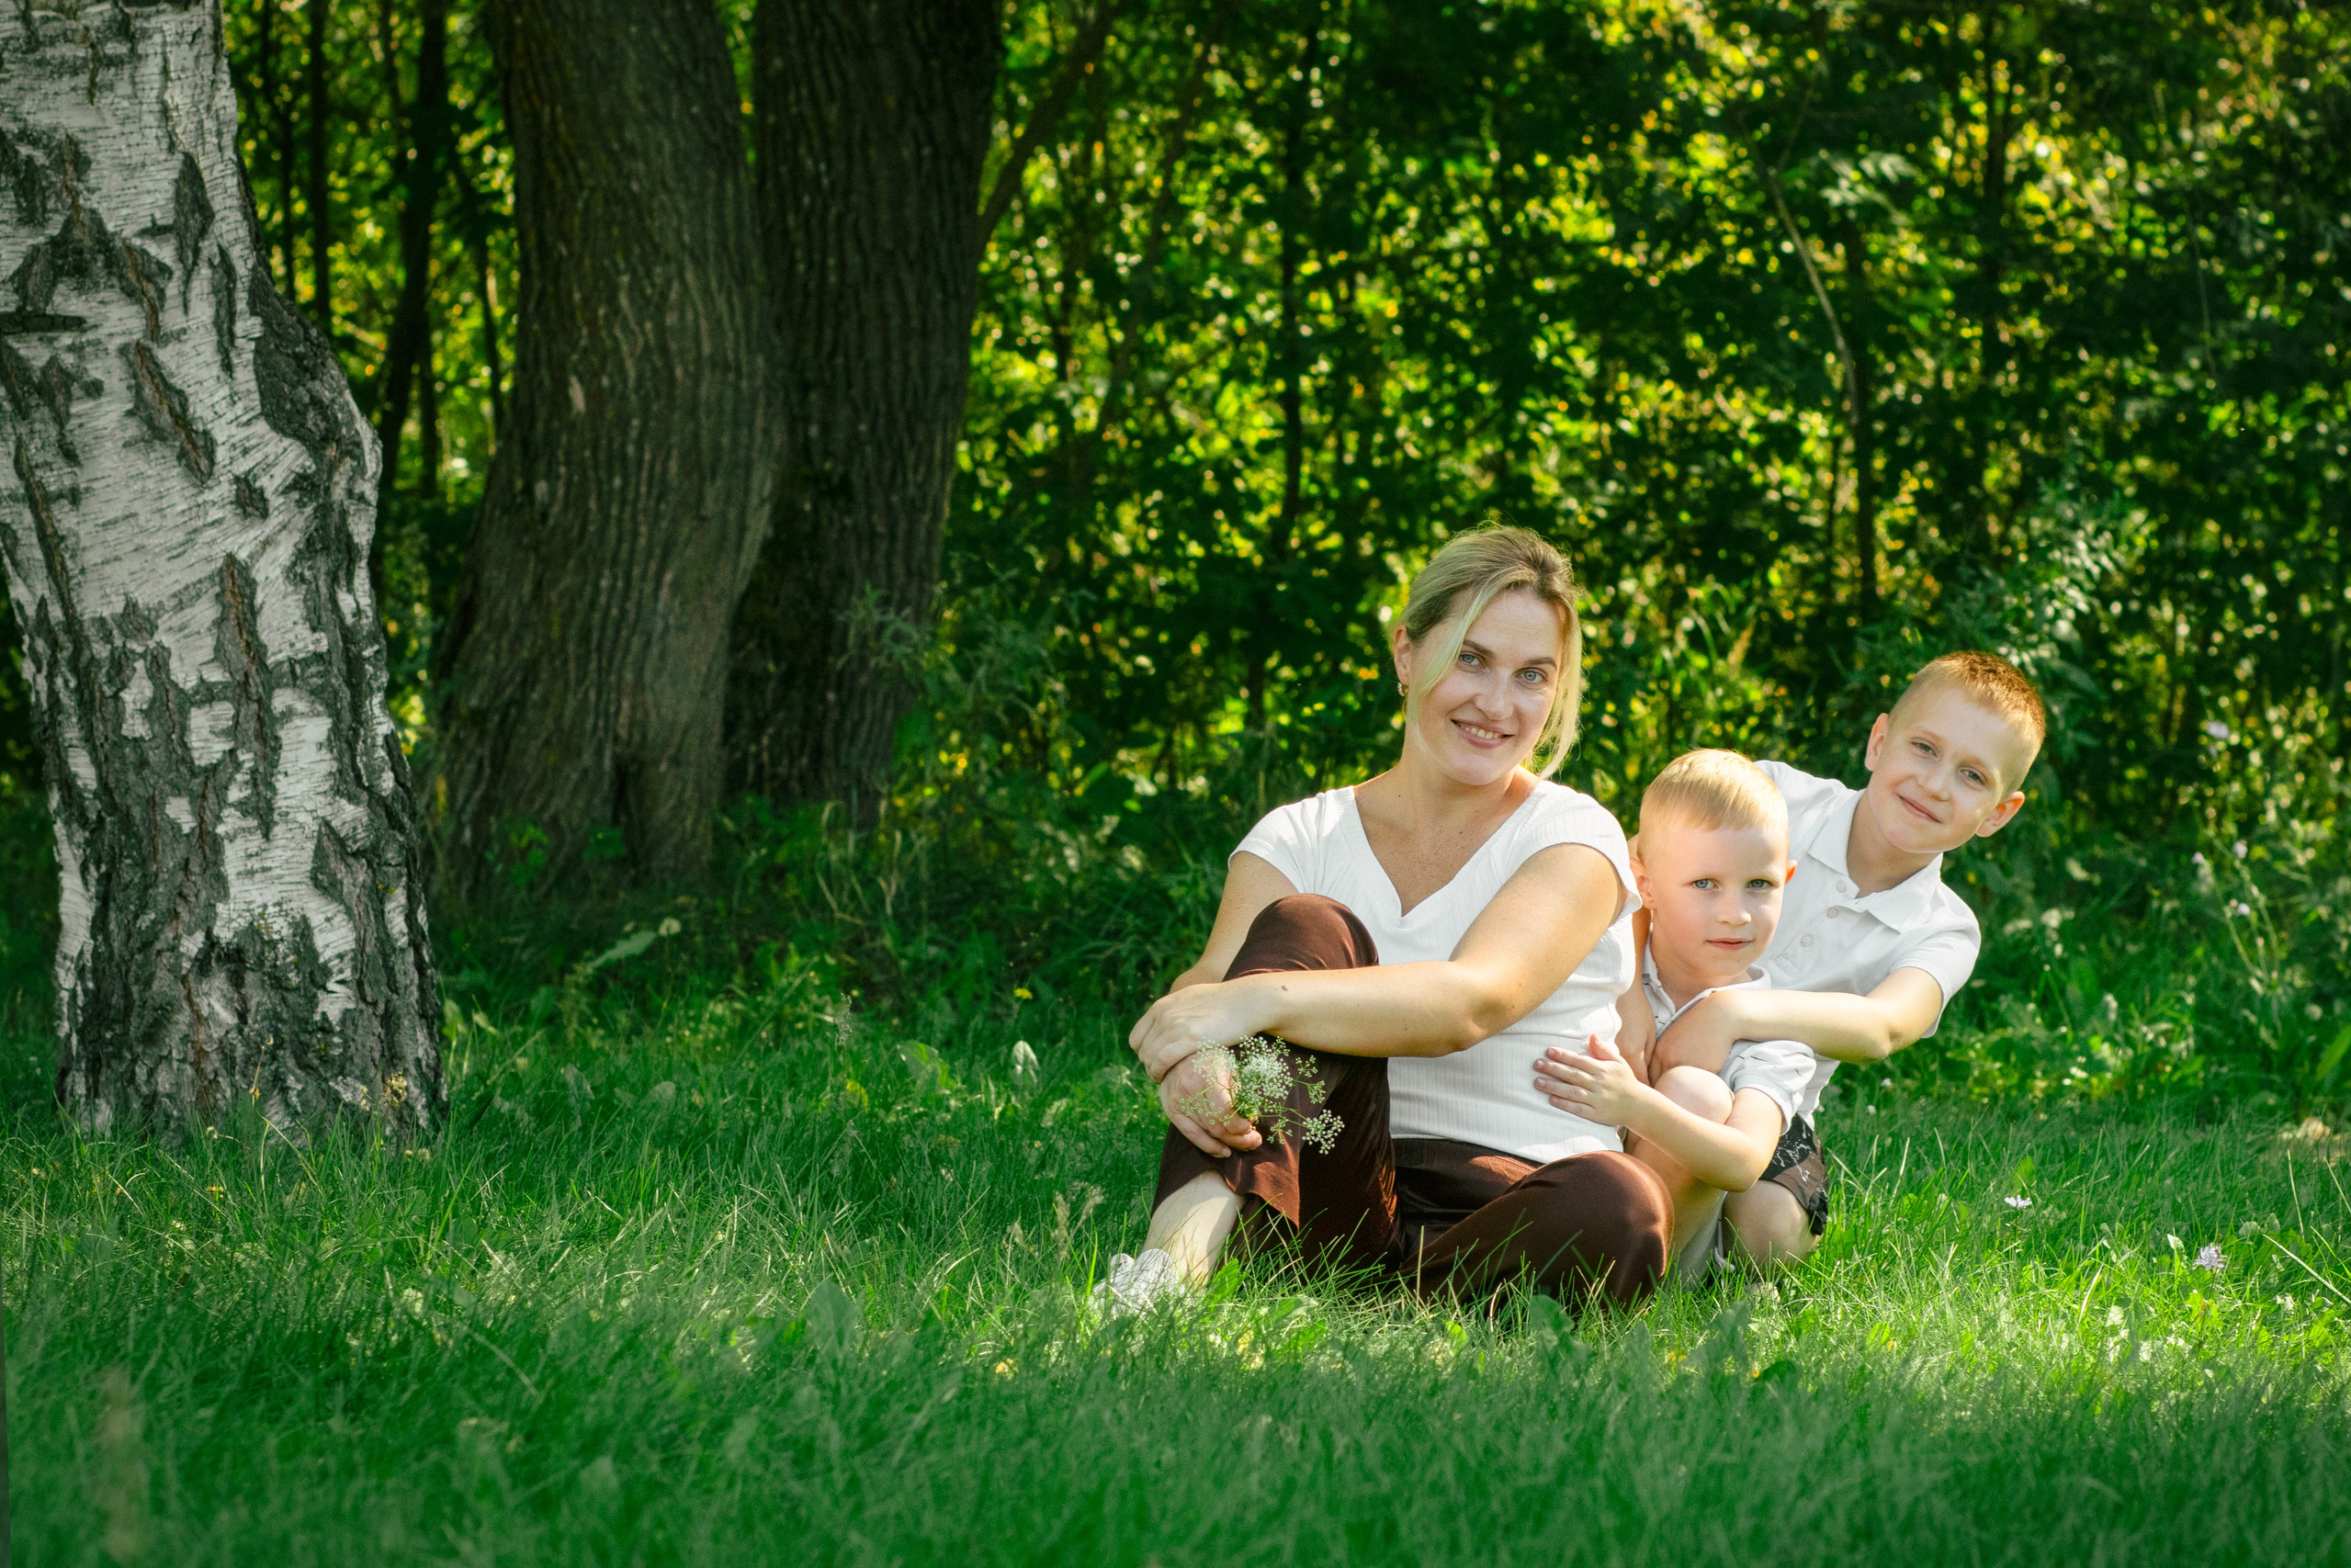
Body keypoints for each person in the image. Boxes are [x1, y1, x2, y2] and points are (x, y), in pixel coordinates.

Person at [1102, 525, 1671, 1314]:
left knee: (1622, 1202)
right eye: (1469, 658)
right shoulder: (1299, 835)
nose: (1495, 703)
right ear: (1406, 654)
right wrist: (1192, 1056)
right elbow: (1207, 984)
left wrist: (1256, 1003)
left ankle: (1390, 1308)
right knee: (1305, 922)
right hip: (1333, 1174)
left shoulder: (1572, 836)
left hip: (1517, 1199)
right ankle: (1163, 1280)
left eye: (1531, 676)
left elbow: (1472, 1001)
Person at [1641, 652, 2047, 1269]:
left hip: (1770, 1099)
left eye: (1971, 776)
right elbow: (1629, 871)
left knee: (1770, 1233)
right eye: (1922, 748)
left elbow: (1884, 1025)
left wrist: (1730, 1009)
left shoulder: (1945, 926)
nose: (1935, 783)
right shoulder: (1774, 796)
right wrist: (1624, 1004)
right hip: (1643, 1024)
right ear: (1878, 741)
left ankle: (1692, 1252)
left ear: (1998, 812)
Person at [1531, 750, 1814, 1280]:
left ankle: (1635, 1288)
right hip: (1563, 1187)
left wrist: (1631, 1102)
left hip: (1666, 1244)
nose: (1736, 912)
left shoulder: (1773, 1034)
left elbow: (1743, 1161)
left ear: (1787, 879)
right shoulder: (1598, 960)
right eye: (1705, 884)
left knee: (1697, 1093)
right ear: (1647, 886)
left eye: (1760, 884)